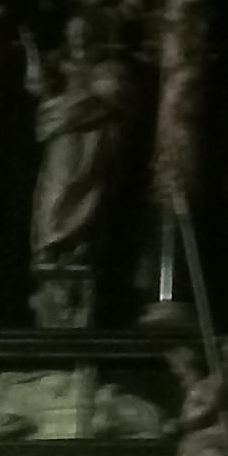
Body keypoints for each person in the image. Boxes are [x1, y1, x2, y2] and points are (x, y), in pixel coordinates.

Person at [21, 15, 133, 270]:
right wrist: (32, 54)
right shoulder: (58, 64)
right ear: (67, 35)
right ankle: (49, 243)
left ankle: (78, 245)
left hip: (92, 135)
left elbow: (118, 96)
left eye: (84, 30)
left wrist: (96, 100)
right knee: (57, 185)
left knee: (88, 184)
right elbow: (37, 85)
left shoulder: (107, 67)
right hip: (63, 133)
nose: (79, 35)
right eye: (74, 30)